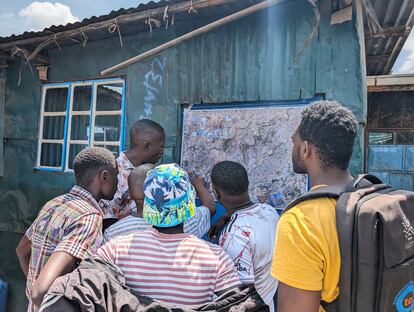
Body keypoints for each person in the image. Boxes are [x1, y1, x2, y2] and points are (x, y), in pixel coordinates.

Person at [95, 164, 241, 306]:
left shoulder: (115, 249)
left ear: (148, 204)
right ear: (190, 204)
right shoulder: (215, 257)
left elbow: (89, 289)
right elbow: (240, 302)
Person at [271, 100, 358, 312]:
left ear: (305, 149)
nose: (293, 147)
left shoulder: (301, 221)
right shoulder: (376, 201)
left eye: (294, 141)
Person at [15, 147, 119, 311]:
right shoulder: (89, 217)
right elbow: (40, 292)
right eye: (117, 176)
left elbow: (22, 251)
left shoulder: (54, 204)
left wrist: (34, 290)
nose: (118, 183)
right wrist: (39, 295)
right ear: (105, 176)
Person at [211, 160, 279, 312]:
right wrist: (228, 218)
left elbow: (239, 297)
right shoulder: (270, 213)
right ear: (247, 185)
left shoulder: (234, 236)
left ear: (216, 193)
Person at [104, 164, 216, 241]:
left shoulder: (113, 232)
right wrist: (198, 185)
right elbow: (210, 207)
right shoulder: (190, 221)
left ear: (130, 194)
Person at [100, 119, 165, 222]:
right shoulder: (116, 173)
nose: (162, 152)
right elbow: (107, 220)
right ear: (146, 146)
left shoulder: (153, 172)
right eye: (161, 147)